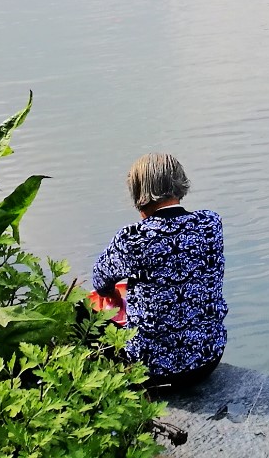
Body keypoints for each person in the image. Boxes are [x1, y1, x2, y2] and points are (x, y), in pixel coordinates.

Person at [89, 153, 227, 390]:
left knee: (84, 316)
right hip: (208, 358)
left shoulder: (133, 237)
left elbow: (100, 280)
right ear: (180, 183)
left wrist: (113, 294)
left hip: (152, 370)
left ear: (138, 193)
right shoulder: (210, 224)